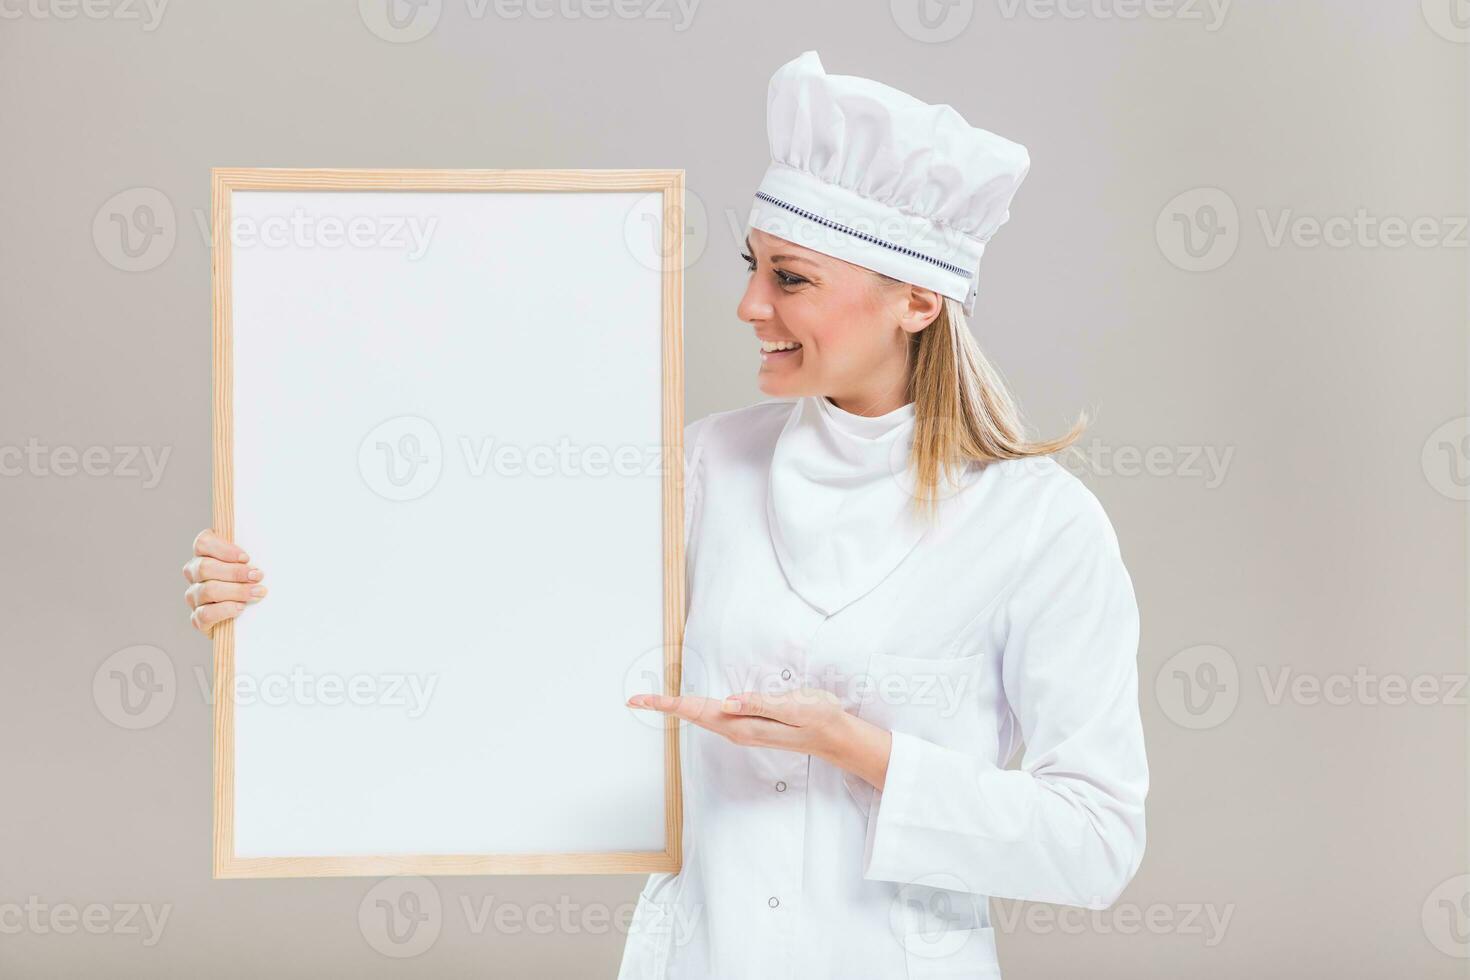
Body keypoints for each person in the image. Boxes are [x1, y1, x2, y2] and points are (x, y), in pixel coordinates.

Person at [182, 50, 1148, 980]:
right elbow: (487, 619)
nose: (746, 305)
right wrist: (275, 596)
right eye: (752, 265)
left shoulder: (1039, 528)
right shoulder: (703, 465)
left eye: (791, 278)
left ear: (920, 302)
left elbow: (1098, 843)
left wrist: (858, 749)